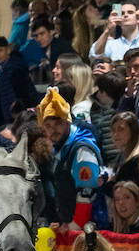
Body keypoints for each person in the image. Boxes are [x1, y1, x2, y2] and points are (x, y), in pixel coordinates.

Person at [38, 88, 102, 228]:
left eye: (58, 124)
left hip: (85, 231)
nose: (53, 130)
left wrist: (72, 227)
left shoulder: (82, 151)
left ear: (68, 122)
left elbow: (87, 195)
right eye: (48, 126)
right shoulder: (60, 148)